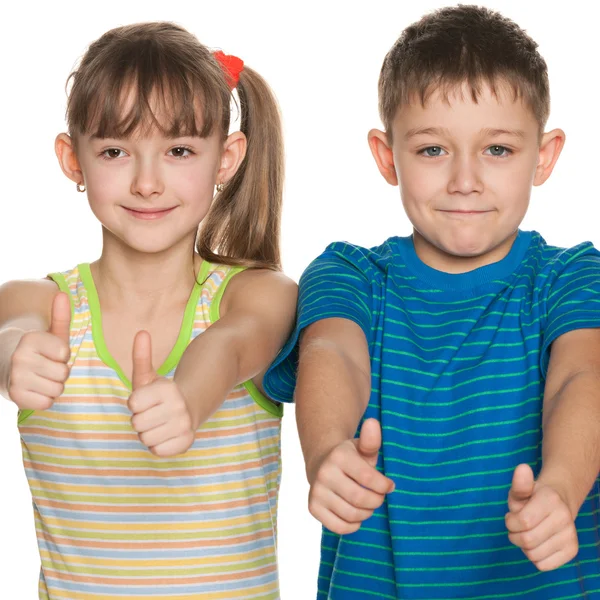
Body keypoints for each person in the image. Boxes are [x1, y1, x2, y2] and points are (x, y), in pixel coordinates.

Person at [263, 5, 600, 599]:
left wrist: (562, 488)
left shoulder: (573, 277)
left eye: (497, 149)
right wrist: (328, 452)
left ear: (543, 156)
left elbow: (583, 376)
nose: (464, 180)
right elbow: (331, 354)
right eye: (432, 151)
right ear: (387, 155)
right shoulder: (351, 273)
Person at [0, 22, 296, 599]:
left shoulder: (260, 293)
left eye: (179, 150)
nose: (146, 181)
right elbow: (9, 327)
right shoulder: (40, 302)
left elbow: (236, 342)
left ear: (227, 159)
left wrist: (188, 395)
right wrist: (13, 355)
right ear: (73, 159)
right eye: (114, 150)